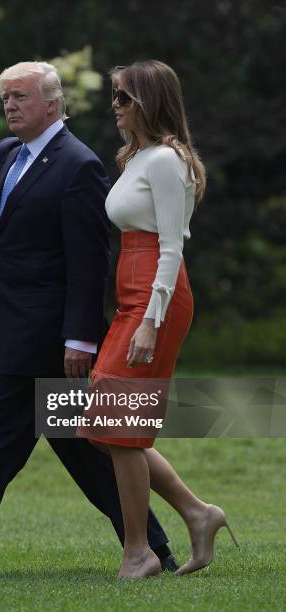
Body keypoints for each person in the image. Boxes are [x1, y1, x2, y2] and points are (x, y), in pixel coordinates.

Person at [0, 61, 176, 577]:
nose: (9, 106)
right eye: (5, 97)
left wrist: (80, 337)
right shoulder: (9, 152)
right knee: (89, 456)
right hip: (13, 331)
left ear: (52, 104)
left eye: (20, 97)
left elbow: (88, 261)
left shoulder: (78, 165)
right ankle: (158, 546)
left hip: (48, 342)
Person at [78, 60, 238, 578]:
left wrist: (152, 317)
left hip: (155, 298)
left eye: (123, 97)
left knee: (119, 425)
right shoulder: (140, 158)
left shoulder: (167, 160)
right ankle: (197, 512)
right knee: (107, 425)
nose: (115, 107)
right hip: (133, 295)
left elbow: (171, 247)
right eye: (115, 97)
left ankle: (138, 551)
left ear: (148, 101)